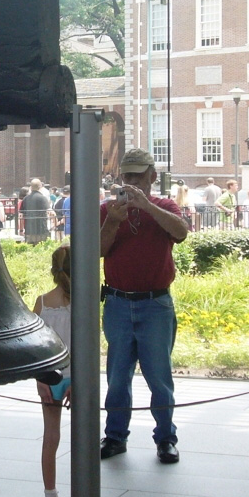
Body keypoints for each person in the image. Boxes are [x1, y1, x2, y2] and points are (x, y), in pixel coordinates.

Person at [99, 149, 188, 464]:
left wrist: (147, 206)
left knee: (159, 377)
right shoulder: (108, 210)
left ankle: (166, 438)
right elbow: (97, 249)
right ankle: (114, 437)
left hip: (155, 304)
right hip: (118, 303)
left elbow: (181, 232)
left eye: (139, 175)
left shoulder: (164, 206)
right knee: (117, 376)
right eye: (128, 176)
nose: (133, 181)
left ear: (153, 175)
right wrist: (113, 220)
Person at [33, 244, 71, 497]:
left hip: (50, 378)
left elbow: (35, 349)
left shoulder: (42, 303)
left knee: (50, 438)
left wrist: (40, 381)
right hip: (75, 376)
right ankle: (85, 491)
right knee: (84, 438)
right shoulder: (83, 301)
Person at [21, 179, 52, 245]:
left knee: (30, 249)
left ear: (31, 187)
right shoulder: (43, 198)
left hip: (29, 229)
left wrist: (21, 229)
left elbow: (20, 215)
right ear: (40, 186)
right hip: (41, 229)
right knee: (41, 248)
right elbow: (50, 212)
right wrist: (54, 224)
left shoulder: (25, 199)